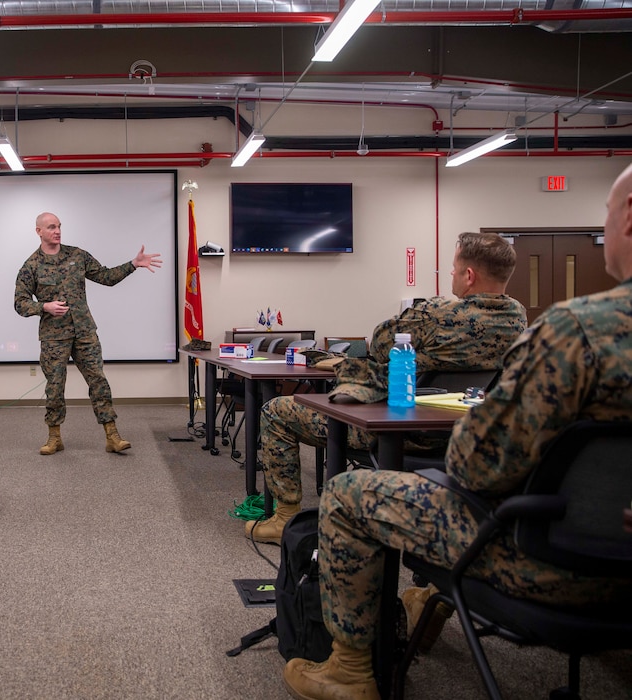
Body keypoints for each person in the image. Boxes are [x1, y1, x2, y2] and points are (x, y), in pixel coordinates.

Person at [281, 163, 632, 700]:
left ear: (627, 219)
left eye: (605, 219)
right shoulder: (522, 318)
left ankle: (349, 671)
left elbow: (478, 465)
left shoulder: (578, 331)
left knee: (347, 494)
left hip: (555, 563)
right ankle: (427, 600)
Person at [249, 231, 526, 545]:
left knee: (275, 411)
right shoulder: (517, 318)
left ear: (470, 275)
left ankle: (285, 516)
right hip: (461, 433)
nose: (451, 273)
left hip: (398, 428)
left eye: (453, 268)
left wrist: (428, 311)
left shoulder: (437, 316)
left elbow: (381, 343)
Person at [14, 212, 162, 455]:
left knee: (98, 381)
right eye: (51, 227)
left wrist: (133, 264)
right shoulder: (31, 265)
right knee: (55, 387)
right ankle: (54, 437)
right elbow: (19, 303)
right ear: (38, 231)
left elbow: (106, 277)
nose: (58, 231)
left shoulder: (77, 255)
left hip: (84, 332)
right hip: (54, 337)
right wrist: (44, 307)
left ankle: (112, 436)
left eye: (60, 226)